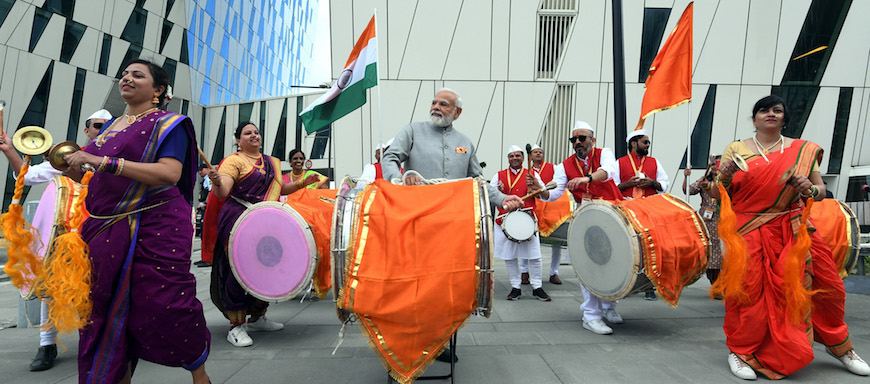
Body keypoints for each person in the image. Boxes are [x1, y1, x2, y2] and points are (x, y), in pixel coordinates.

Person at [62, 59, 210, 383]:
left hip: (155, 223)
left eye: (137, 75)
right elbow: (85, 170)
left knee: (167, 303)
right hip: (105, 228)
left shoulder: (170, 124)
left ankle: (199, 373)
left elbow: (170, 173)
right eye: (125, 74)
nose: (127, 78)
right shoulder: (112, 126)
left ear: (158, 90)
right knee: (103, 310)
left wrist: (103, 162)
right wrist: (64, 159)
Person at [713, 95, 869, 380]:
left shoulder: (802, 150)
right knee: (749, 294)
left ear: (784, 118)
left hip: (794, 227)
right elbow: (717, 193)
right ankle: (741, 351)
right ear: (755, 117)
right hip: (749, 230)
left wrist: (809, 187)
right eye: (764, 110)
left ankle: (840, 348)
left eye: (777, 110)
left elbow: (820, 192)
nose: (770, 114)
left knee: (829, 287)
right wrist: (723, 175)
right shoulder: (736, 148)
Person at [381, 88, 522, 363]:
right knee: (413, 288)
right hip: (415, 224)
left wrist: (503, 199)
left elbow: (478, 181)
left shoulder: (465, 142)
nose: (435, 107)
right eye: (434, 102)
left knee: (444, 289)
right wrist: (401, 178)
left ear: (456, 112)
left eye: (443, 104)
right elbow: (390, 158)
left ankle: (437, 342)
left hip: (452, 229)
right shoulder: (412, 131)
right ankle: (407, 345)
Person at [0, 108, 109, 372]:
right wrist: (8, 150)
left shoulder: (115, 159)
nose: (101, 130)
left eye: (107, 126)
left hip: (101, 233)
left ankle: (95, 341)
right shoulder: (66, 156)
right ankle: (46, 344)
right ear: (87, 130)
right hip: (63, 237)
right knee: (50, 289)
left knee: (98, 287)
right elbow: (28, 176)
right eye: (97, 126)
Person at [206, 122, 319, 348]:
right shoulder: (234, 161)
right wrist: (217, 181)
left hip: (265, 220)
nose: (254, 135)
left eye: (256, 132)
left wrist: (300, 184)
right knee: (239, 268)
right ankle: (236, 326)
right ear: (239, 140)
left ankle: (258, 316)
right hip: (238, 220)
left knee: (266, 266)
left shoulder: (272, 163)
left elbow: (280, 189)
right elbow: (224, 191)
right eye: (248, 133)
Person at [541, 121, 624, 335]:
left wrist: (586, 178)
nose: (577, 142)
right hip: (587, 219)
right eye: (574, 139)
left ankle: (608, 308)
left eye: (582, 138)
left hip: (613, 215)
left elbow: (608, 172)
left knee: (615, 263)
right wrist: (539, 190)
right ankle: (591, 316)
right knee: (589, 266)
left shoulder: (604, 153)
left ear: (592, 140)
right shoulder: (564, 165)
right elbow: (553, 193)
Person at [615, 129, 669, 300]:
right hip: (627, 210)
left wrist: (652, 182)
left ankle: (648, 286)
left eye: (648, 143)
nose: (647, 145)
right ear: (633, 143)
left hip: (648, 210)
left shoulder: (654, 162)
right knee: (627, 248)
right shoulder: (620, 162)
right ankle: (625, 284)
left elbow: (664, 184)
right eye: (645, 142)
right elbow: (612, 187)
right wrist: (627, 184)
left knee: (650, 248)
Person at [491, 145, 551, 301]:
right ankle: (515, 287)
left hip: (527, 219)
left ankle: (537, 287)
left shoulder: (533, 174)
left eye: (518, 155)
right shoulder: (499, 175)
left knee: (535, 255)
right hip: (506, 219)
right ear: (508, 159)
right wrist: (499, 191)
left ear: (524, 158)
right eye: (511, 156)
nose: (514, 158)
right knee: (510, 256)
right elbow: (490, 195)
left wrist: (536, 188)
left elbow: (545, 194)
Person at [520, 144, 569, 285]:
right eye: (535, 152)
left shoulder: (553, 168)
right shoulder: (526, 170)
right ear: (531, 155)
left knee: (557, 242)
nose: (538, 154)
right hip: (533, 206)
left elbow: (558, 186)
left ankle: (554, 272)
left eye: (540, 152)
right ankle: (524, 272)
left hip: (551, 205)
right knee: (526, 239)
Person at [682, 156, 722, 287]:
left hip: (724, 219)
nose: (717, 167)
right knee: (711, 250)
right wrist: (686, 177)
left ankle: (725, 283)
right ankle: (715, 284)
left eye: (719, 164)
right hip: (707, 221)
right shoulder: (705, 180)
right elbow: (688, 190)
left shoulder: (727, 181)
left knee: (723, 251)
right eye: (714, 164)